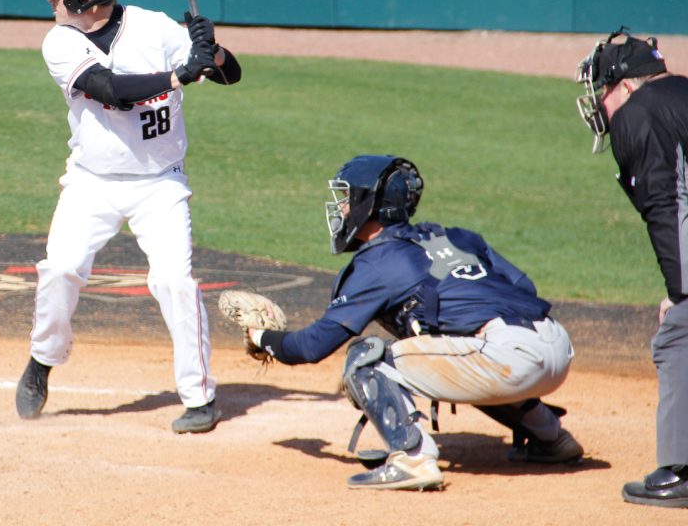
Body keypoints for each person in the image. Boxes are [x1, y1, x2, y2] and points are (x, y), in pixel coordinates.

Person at [244, 155, 581, 490]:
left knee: (366, 358)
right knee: (464, 346)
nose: (341, 209)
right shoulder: (455, 237)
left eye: (347, 198)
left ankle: (413, 459)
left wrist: (262, 337)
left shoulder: (379, 262)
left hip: (509, 360)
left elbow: (313, 346)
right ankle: (550, 437)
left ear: (370, 204)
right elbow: (524, 289)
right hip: (556, 345)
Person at [14, 0, 242, 433]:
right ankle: (42, 360)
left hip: (159, 185)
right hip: (91, 184)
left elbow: (230, 75)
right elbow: (110, 91)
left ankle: (200, 398)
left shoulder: (154, 28)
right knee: (60, 270)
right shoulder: (60, 42)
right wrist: (180, 75)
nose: (49, 0)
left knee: (174, 283)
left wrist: (213, 50)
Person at [575, 27, 688, 508]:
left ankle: (680, 472)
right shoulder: (680, 93)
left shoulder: (637, 115)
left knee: (677, 336)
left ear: (624, 84)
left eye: (600, 89)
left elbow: (667, 205)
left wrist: (681, 293)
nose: (598, 102)